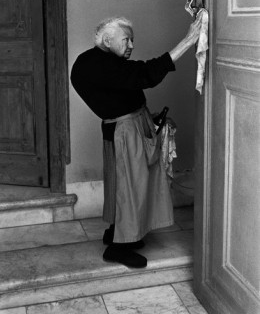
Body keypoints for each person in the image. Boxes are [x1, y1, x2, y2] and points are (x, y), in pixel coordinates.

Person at [71, 16, 202, 268]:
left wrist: (145, 118)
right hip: (125, 130)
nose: (131, 45)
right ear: (108, 40)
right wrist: (188, 41)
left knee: (124, 184)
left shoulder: (94, 60)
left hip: (125, 125)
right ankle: (119, 248)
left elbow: (122, 88)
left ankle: (117, 232)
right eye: (126, 39)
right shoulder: (101, 65)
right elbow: (145, 75)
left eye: (133, 40)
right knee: (130, 187)